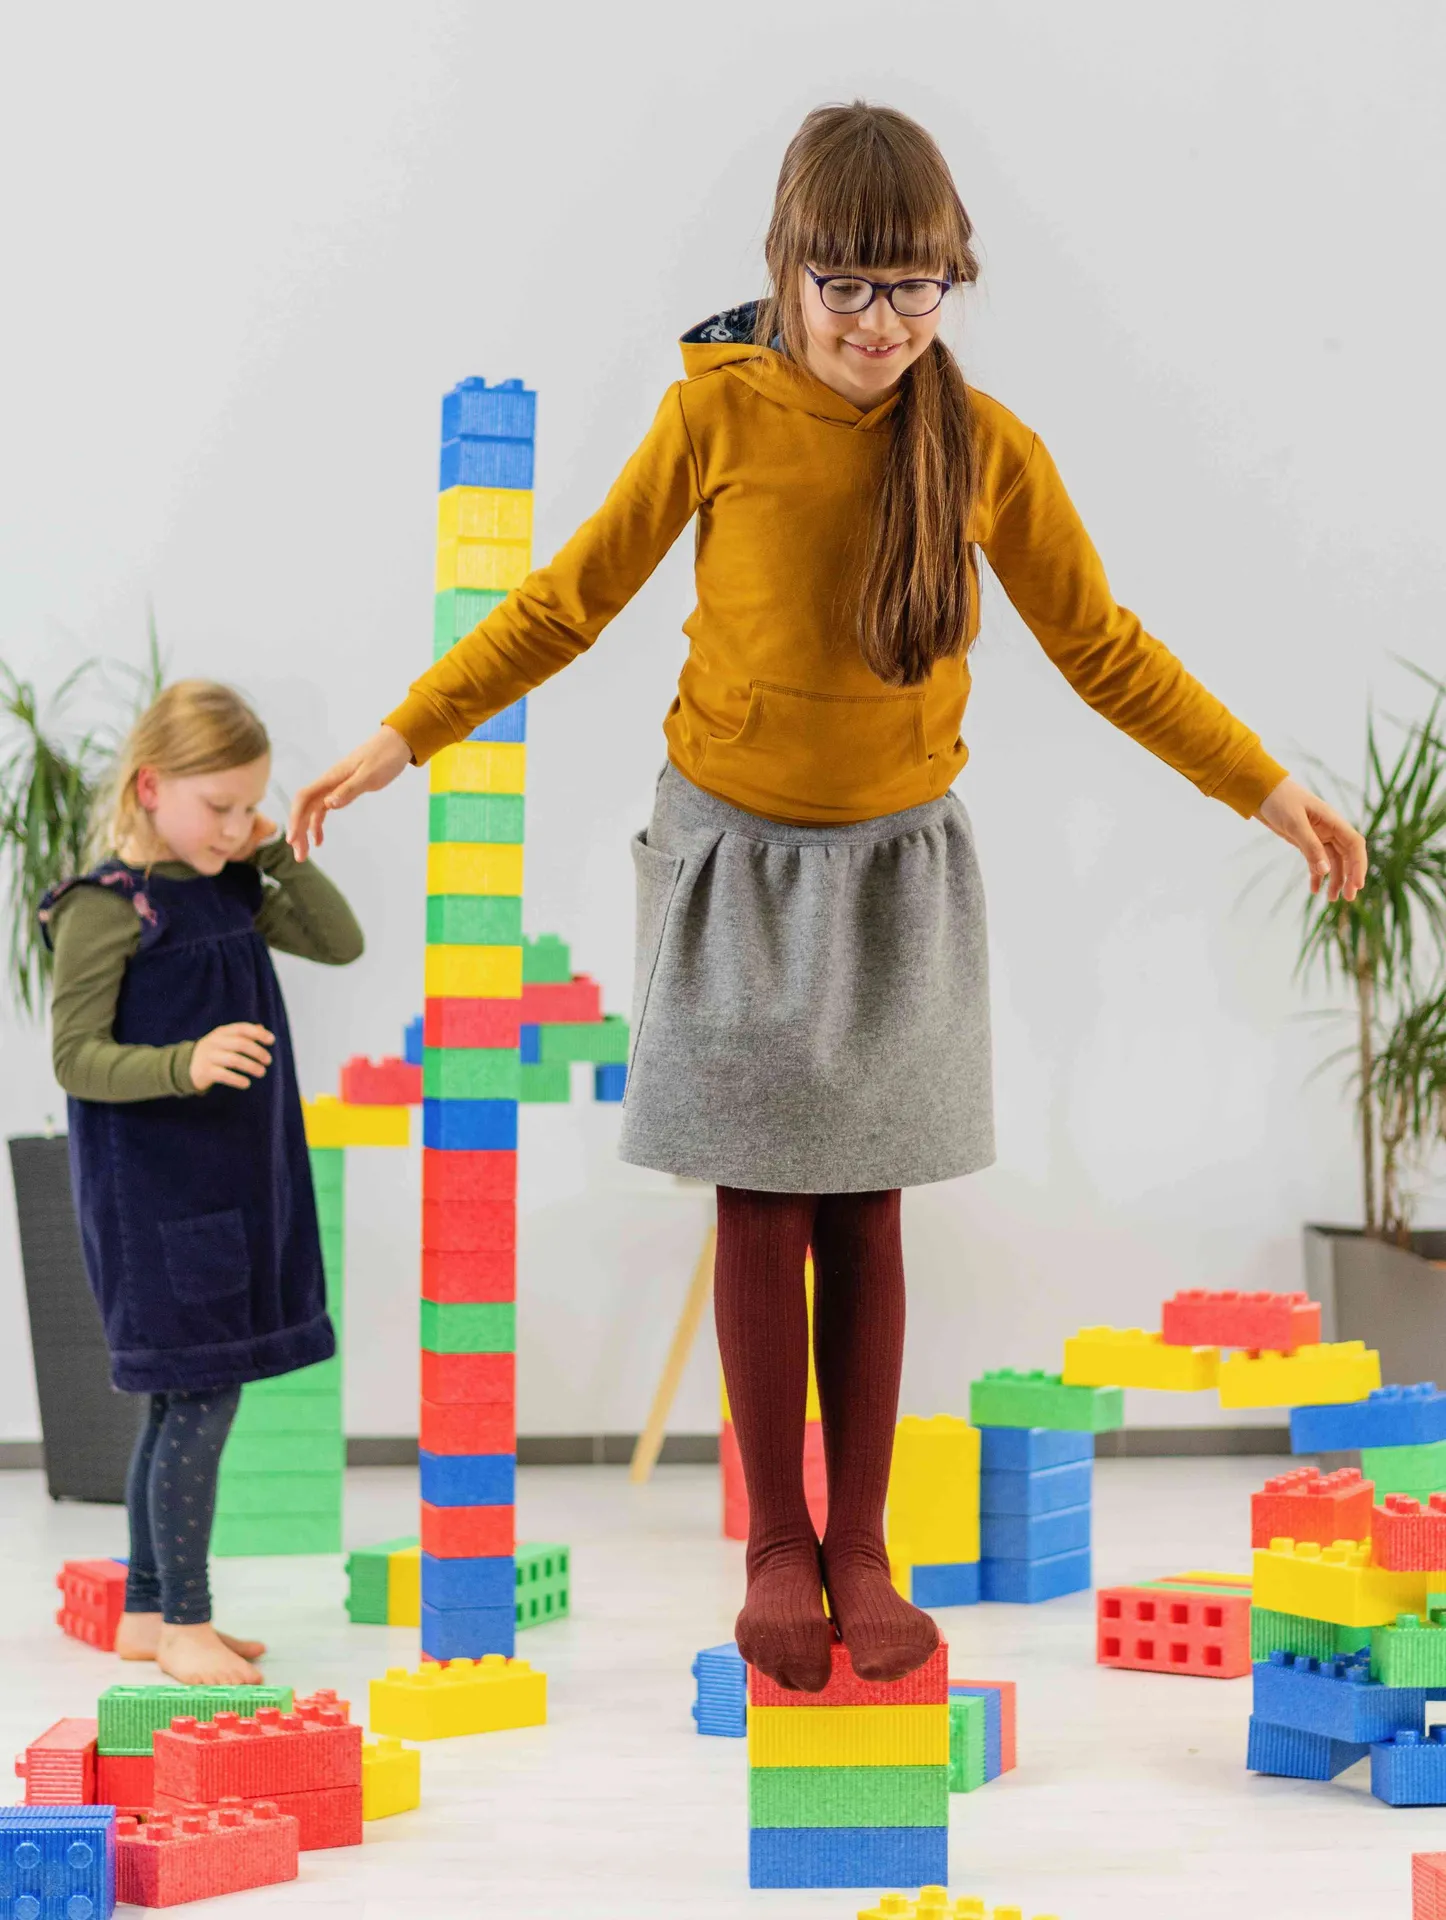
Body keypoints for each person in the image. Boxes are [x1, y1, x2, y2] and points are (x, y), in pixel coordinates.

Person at [287, 101, 1366, 1691]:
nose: (879, 322)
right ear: (783, 269)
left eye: (914, 286)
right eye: (844, 286)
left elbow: (1104, 650)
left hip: (893, 870)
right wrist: (401, 738)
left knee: (866, 1201)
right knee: (761, 1195)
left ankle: (857, 1544)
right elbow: (566, 603)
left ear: (951, 280)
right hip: (728, 857)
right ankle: (773, 1546)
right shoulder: (713, 417)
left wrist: (1264, 787)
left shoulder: (984, 451)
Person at [42, 679, 364, 1686]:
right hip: (157, 1202)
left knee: (181, 1399)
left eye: (248, 806)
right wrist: (186, 1061)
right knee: (199, 1399)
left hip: (236, 1186)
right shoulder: (106, 908)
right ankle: (188, 1622)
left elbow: (340, 941)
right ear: (150, 787)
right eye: (217, 805)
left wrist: (274, 849)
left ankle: (147, 1613)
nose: (232, 826)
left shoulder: (229, 884)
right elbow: (74, 1059)